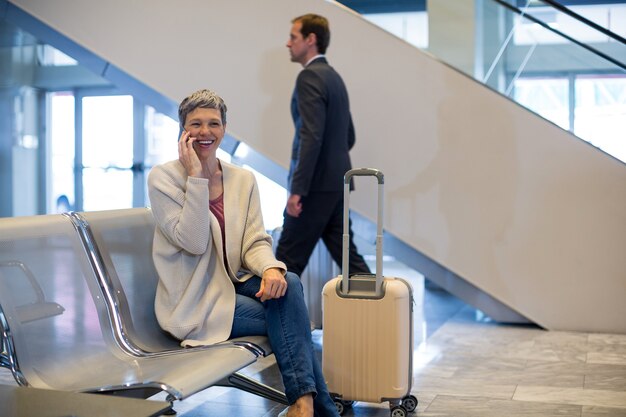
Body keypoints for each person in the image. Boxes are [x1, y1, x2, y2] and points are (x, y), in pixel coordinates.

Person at [147, 89, 339, 417]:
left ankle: (304, 405)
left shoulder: (242, 179)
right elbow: (193, 242)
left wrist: (269, 270)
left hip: (234, 282)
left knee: (287, 282)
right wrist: (196, 177)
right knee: (291, 319)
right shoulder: (164, 179)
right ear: (183, 131)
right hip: (195, 302)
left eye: (214, 123)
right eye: (196, 124)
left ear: (224, 128)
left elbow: (254, 241)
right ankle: (311, 406)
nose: (205, 132)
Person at [276, 13, 370, 278]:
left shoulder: (308, 78)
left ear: (311, 39)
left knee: (285, 264)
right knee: (349, 259)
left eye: (293, 37)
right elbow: (348, 136)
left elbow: (311, 136)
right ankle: (384, 315)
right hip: (337, 184)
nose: (288, 43)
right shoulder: (333, 77)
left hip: (314, 188)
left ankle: (277, 321)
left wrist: (297, 189)